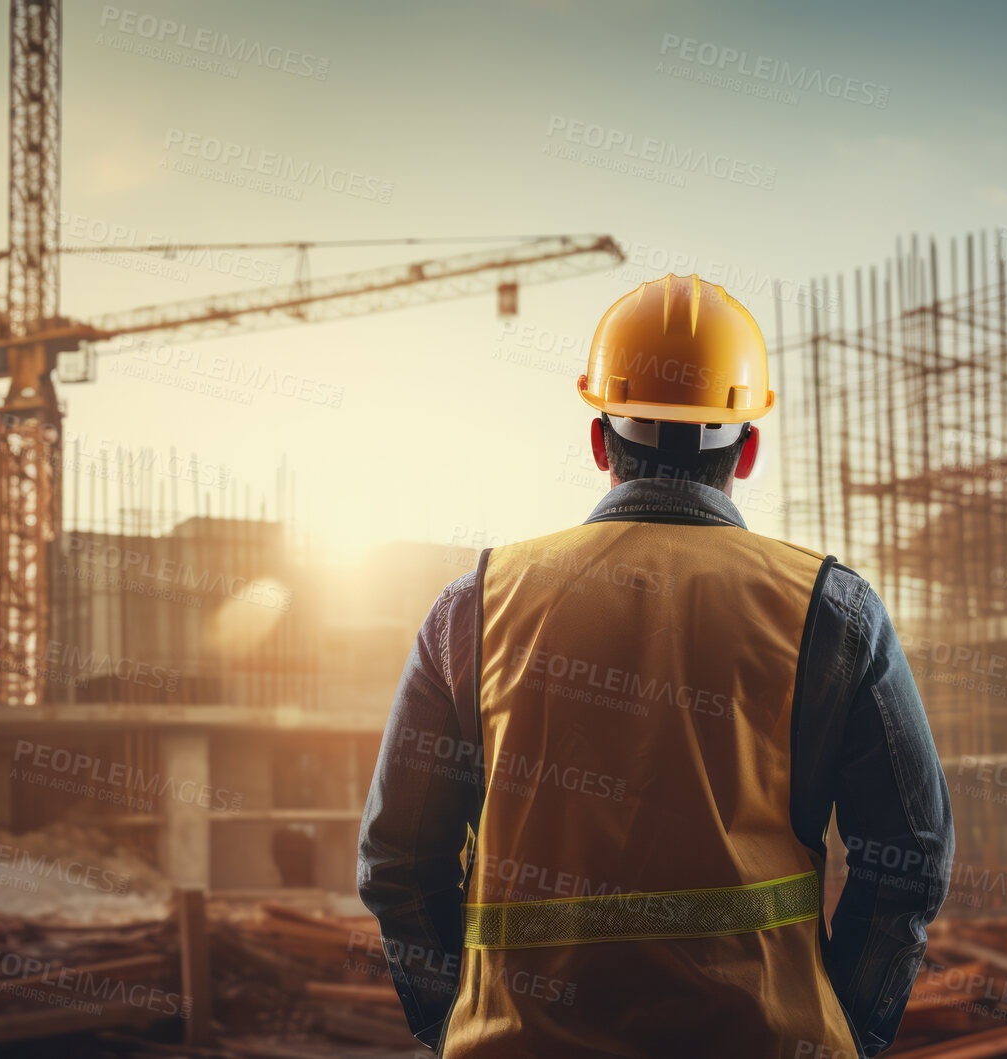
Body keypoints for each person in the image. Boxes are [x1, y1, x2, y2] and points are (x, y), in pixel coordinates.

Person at [358, 274, 952, 1057]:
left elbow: (398, 859)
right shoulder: (829, 609)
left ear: (600, 442)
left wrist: (454, 1027)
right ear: (747, 449)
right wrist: (843, 1031)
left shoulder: (474, 606)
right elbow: (909, 852)